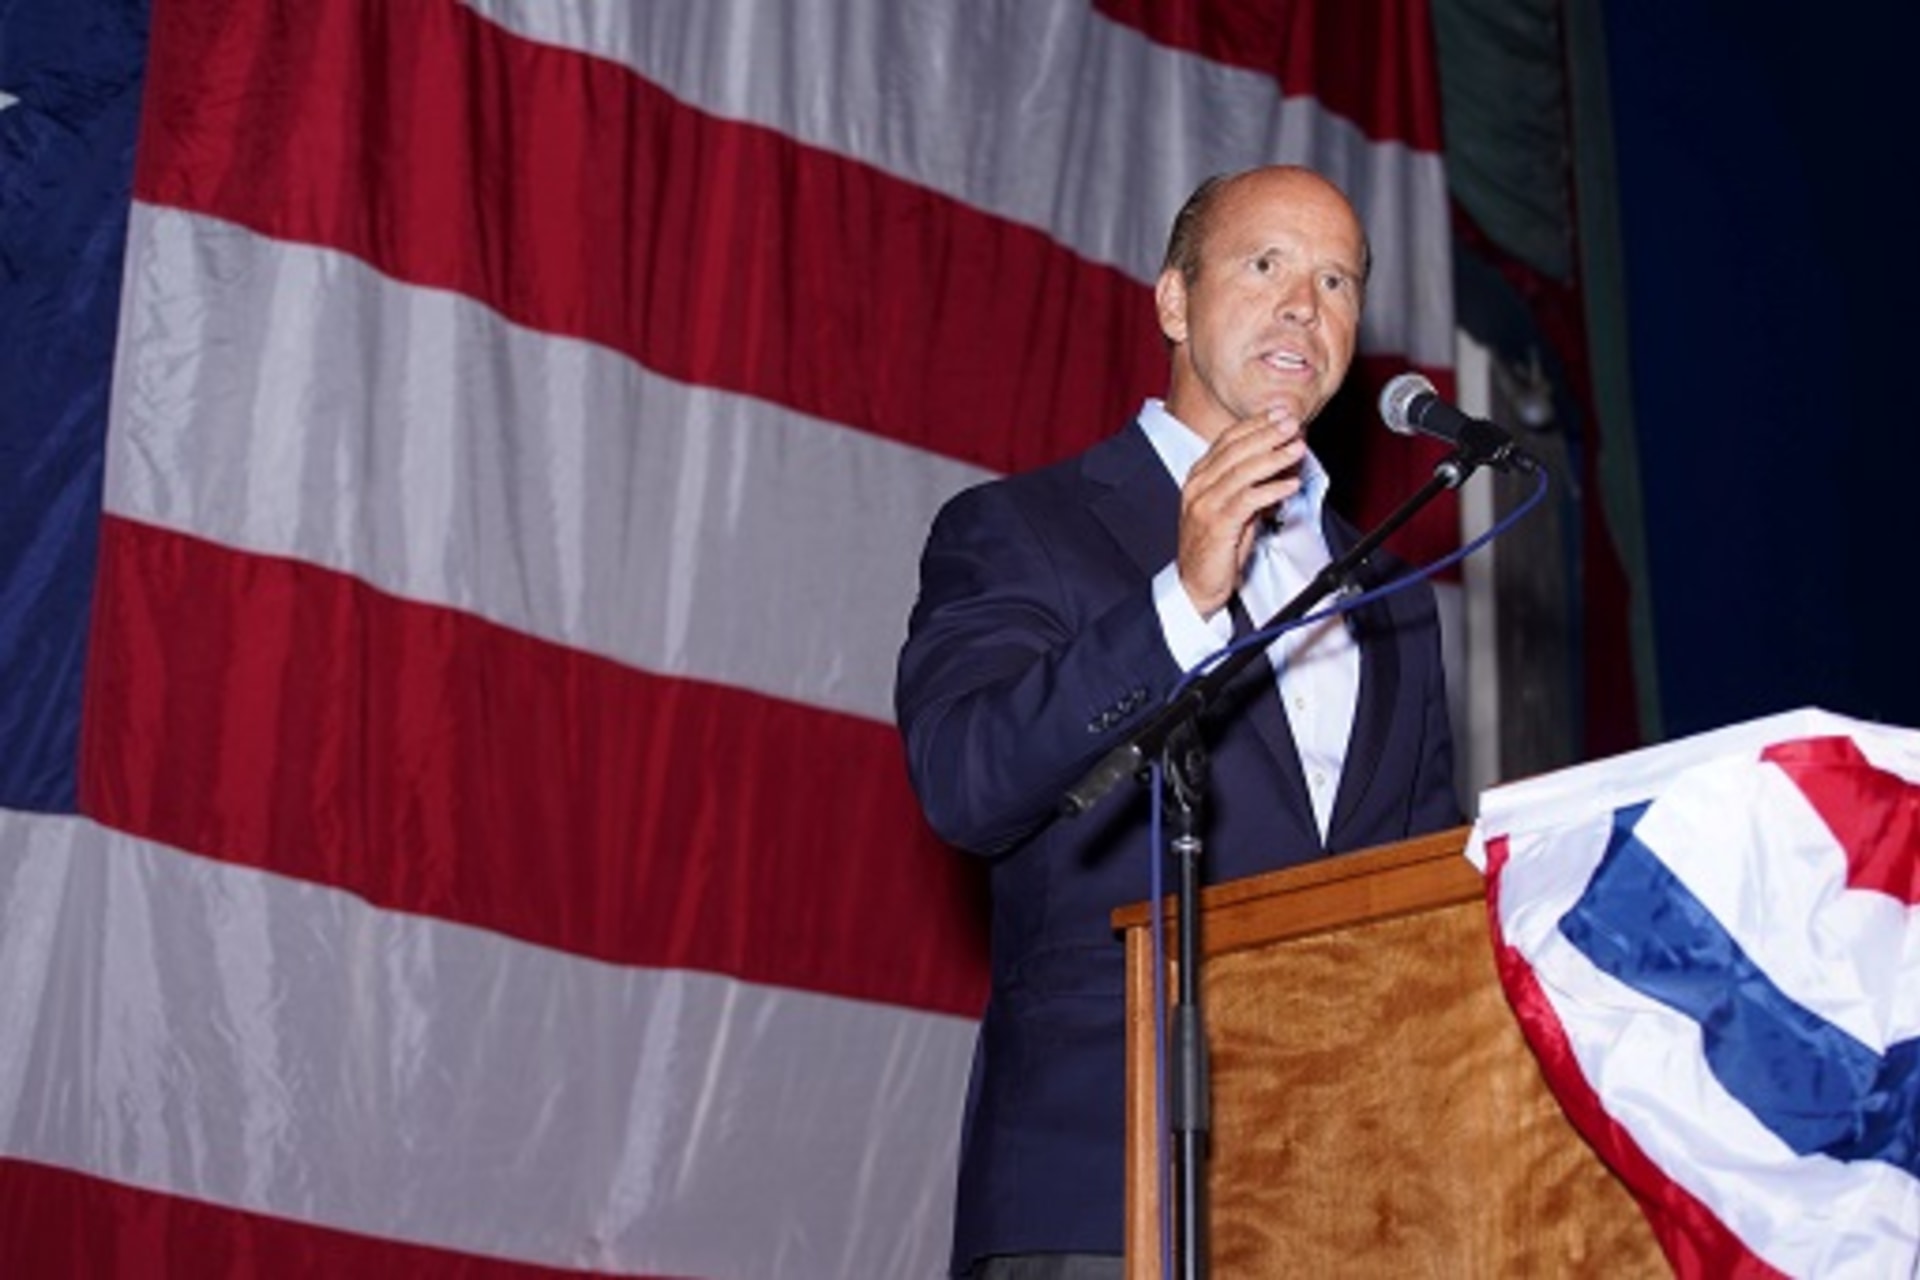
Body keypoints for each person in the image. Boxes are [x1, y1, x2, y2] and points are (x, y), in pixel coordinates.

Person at [894, 166, 1461, 1279]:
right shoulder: (1022, 528)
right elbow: (966, 780)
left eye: (1336, 280)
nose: (1303, 305)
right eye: (1266, 264)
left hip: (1342, 1205)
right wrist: (1181, 601)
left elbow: (1420, 898)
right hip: (1101, 1188)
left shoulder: (1392, 593)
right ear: (1172, 301)